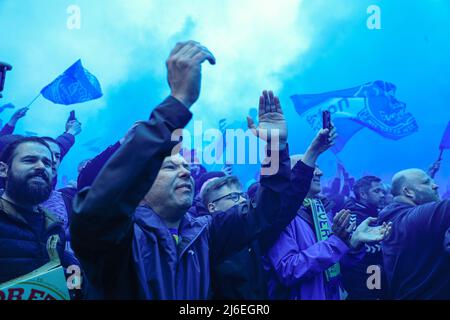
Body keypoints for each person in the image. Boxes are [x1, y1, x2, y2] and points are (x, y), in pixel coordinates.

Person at [70, 41, 301, 300]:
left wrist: (275, 146)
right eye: (170, 166)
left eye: (186, 167)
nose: (185, 172)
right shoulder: (117, 239)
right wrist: (177, 102)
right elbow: (97, 209)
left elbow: (266, 208)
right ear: (140, 184)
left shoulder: (206, 233)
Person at [202, 125, 334, 300]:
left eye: (242, 196)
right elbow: (290, 269)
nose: (242, 200)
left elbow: (283, 201)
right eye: (233, 197)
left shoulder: (257, 236)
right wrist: (335, 244)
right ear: (212, 207)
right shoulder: (203, 237)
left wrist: (309, 152)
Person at [264, 156, 392, 300]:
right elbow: (289, 270)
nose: (320, 172)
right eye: (313, 166)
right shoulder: (280, 216)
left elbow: (337, 263)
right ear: (296, 174)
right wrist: (336, 243)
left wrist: (353, 243)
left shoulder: (320, 210)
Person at [0, 136, 78, 285]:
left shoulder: (55, 229)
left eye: (47, 163)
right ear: (3, 169)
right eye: (29, 160)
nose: (41, 166)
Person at [379, 168, 450, 299]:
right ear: (408, 192)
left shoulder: (392, 218)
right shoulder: (412, 218)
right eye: (426, 182)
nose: (435, 185)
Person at [341, 176, 388, 300]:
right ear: (363, 194)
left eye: (383, 191)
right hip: (364, 288)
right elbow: (363, 258)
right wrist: (370, 292)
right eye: (377, 191)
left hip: (374, 281)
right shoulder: (354, 217)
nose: (382, 195)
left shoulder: (373, 213)